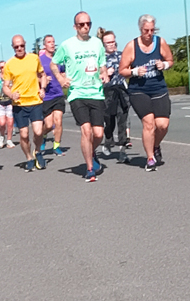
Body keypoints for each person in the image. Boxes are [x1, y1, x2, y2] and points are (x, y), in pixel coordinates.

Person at [52, 12, 108, 182]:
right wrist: (61, 78)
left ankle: (91, 150)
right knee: (86, 130)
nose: (85, 27)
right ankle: (89, 168)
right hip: (77, 94)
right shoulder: (67, 45)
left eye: (88, 24)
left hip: (96, 92)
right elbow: (53, 63)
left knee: (98, 134)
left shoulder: (97, 43)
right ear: (75, 26)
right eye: (81, 24)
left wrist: (104, 74)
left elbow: (102, 65)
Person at [119, 15, 174, 172]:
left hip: (158, 87)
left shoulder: (160, 42)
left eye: (152, 30)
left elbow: (170, 60)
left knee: (163, 125)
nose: (149, 33)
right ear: (140, 29)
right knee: (149, 123)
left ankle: (155, 146)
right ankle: (150, 158)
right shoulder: (132, 46)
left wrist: (164, 64)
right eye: (146, 30)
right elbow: (122, 70)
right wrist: (135, 71)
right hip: (138, 90)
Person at [2, 35, 48, 172]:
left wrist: (43, 88)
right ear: (13, 47)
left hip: (35, 100)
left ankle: (38, 152)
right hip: (19, 104)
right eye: (16, 47)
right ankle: (28, 157)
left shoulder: (34, 58)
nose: (19, 48)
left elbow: (42, 75)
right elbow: (5, 86)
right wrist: (11, 94)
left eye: (21, 46)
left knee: (39, 131)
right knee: (23, 134)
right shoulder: (9, 64)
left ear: (25, 44)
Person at [101, 29, 131, 160]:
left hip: (121, 90)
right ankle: (108, 141)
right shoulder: (100, 59)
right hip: (107, 91)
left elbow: (130, 68)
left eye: (113, 41)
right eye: (108, 43)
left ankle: (123, 151)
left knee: (122, 119)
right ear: (103, 44)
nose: (111, 44)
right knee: (109, 120)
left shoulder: (122, 55)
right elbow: (94, 76)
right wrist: (105, 73)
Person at [39, 35, 66, 156]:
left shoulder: (59, 59)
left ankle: (57, 146)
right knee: (49, 125)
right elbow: (34, 76)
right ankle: (44, 136)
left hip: (58, 94)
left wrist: (65, 80)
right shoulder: (40, 60)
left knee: (58, 121)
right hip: (46, 96)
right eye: (49, 42)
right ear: (44, 45)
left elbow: (63, 72)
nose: (52, 44)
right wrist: (42, 80)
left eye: (53, 42)